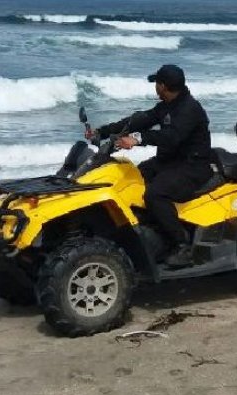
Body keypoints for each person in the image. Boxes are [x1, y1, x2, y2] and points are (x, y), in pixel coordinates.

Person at [86, 64, 212, 268]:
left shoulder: (190, 109)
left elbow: (172, 137)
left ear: (163, 86)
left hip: (192, 167)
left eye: (157, 83)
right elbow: (139, 121)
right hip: (167, 162)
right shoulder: (166, 106)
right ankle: (145, 230)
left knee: (155, 194)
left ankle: (182, 245)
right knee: (129, 178)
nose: (155, 87)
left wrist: (137, 139)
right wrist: (103, 132)